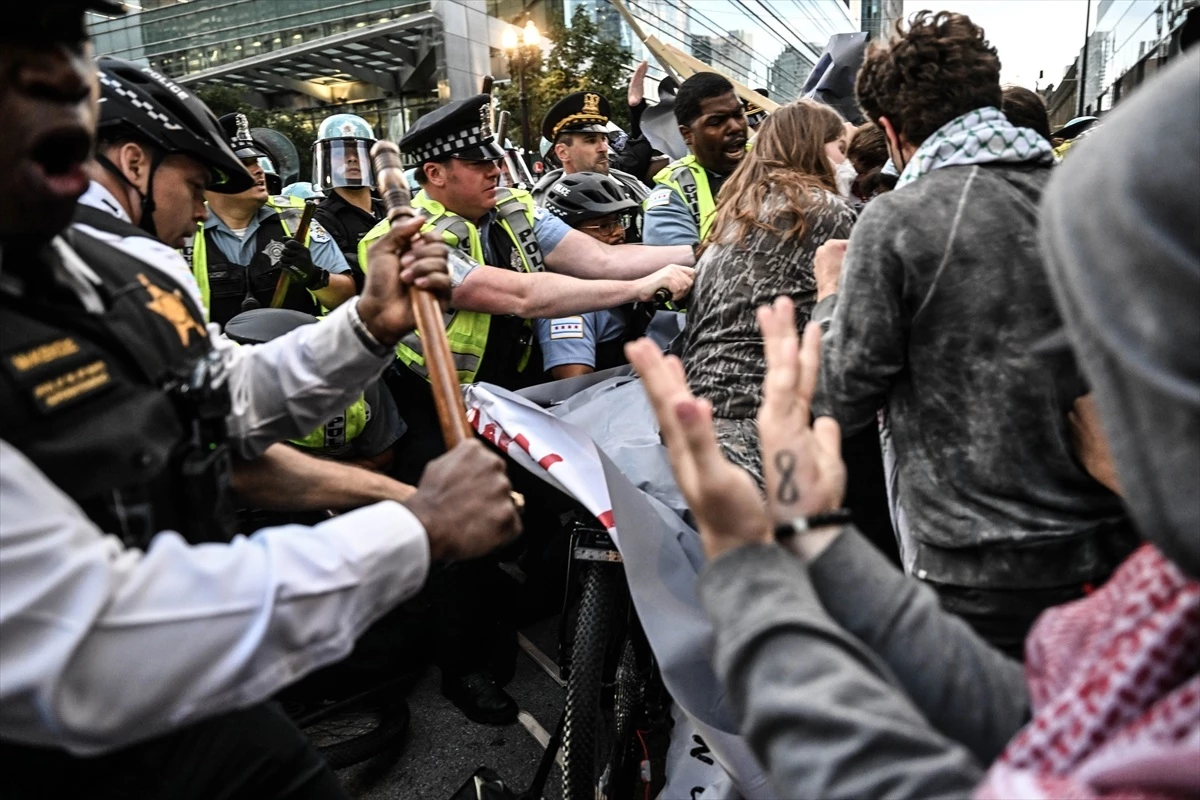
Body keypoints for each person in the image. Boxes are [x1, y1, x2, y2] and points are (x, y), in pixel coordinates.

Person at [626, 47, 1200, 799]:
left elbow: (908, 777)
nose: (1100, 406)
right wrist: (813, 537)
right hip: (1054, 558)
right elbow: (1039, 715)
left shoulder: (866, 216)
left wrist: (755, 568)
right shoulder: (1160, 603)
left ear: (889, 130)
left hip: (961, 550)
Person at [0, 5, 521, 798]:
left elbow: (223, 397)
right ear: (137, 164)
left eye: (66, 48)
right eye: (23, 63)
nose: (65, 85)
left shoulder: (101, 263)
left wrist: (367, 326)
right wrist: (414, 528)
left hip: (190, 694)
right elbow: (92, 642)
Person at [356, 93, 693, 724]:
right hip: (435, 403)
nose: (495, 171)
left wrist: (702, 255)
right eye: (477, 163)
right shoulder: (400, 239)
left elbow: (600, 258)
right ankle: (464, 669)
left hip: (510, 398)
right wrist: (642, 286)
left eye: (494, 159)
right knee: (464, 534)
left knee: (542, 509)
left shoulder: (511, 208)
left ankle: (504, 621)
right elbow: (516, 294)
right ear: (434, 175)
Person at [812, 11, 1135, 656]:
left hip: (977, 570)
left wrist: (830, 297)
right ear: (990, 95)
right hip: (1113, 549)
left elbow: (839, 397)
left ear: (889, 130)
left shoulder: (898, 221)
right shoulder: (1092, 200)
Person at [679, 100, 856, 486]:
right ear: (814, 146)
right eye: (841, 149)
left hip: (702, 408)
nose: (849, 164)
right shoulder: (821, 208)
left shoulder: (738, 212)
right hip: (754, 412)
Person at [189, 113, 355, 328]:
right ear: (215, 175)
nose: (259, 171)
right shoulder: (184, 234)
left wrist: (314, 276)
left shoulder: (296, 218)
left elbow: (347, 297)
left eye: (256, 161)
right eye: (245, 163)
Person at [537, 171, 661, 380]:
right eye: (604, 226)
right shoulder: (567, 305)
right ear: (566, 235)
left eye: (619, 221)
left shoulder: (622, 275)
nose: (619, 232)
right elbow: (573, 385)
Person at [642, 72, 749, 247]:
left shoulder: (772, 160)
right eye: (716, 122)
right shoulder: (673, 192)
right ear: (687, 134)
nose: (735, 127)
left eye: (738, 115)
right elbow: (679, 263)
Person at [530, 90, 649, 237]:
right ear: (563, 153)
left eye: (604, 139)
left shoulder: (633, 187)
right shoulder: (542, 205)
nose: (604, 148)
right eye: (591, 140)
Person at [310, 113, 385, 289]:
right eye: (340, 152)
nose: (352, 157)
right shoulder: (321, 219)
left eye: (359, 151)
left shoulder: (389, 209)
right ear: (326, 161)